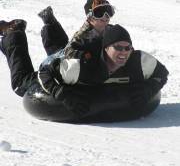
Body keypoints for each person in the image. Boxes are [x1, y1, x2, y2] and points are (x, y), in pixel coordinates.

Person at [38, 24, 169, 112]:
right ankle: (18, 32)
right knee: (21, 82)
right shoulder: (81, 67)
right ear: (106, 48)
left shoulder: (139, 62)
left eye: (127, 48)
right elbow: (44, 72)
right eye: (118, 47)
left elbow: (162, 73)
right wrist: (62, 94)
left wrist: (150, 89)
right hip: (57, 63)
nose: (124, 52)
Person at [38, 0, 115, 58]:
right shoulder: (83, 35)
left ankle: (50, 21)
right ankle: (49, 22)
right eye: (99, 13)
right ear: (90, 17)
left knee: (63, 43)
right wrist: (85, 54)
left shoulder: (113, 31)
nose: (105, 16)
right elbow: (67, 54)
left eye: (108, 12)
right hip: (63, 60)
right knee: (56, 55)